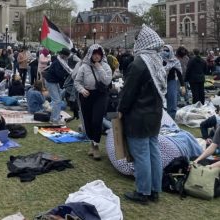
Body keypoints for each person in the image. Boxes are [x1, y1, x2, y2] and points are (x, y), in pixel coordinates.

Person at [118, 25, 166, 204]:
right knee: (154, 152)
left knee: (141, 155)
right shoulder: (156, 60)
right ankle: (154, 190)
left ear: (142, 41)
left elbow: (129, 92)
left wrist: (121, 110)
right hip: (155, 114)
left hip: (139, 115)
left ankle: (143, 192)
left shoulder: (139, 63)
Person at [74, 44, 112, 160]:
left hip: (100, 95)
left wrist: (99, 67)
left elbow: (107, 80)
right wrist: (82, 90)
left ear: (101, 55)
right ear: (90, 55)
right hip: (87, 95)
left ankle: (96, 145)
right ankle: (92, 143)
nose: (96, 56)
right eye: (94, 54)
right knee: (88, 120)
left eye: (98, 54)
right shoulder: (84, 67)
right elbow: (77, 82)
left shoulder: (105, 66)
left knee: (97, 120)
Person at [44, 48, 71, 125]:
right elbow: (59, 74)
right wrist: (67, 73)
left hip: (53, 81)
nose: (68, 58)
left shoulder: (61, 61)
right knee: (57, 101)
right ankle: (55, 120)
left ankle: (53, 118)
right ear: (63, 55)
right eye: (67, 56)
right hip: (50, 82)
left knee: (56, 100)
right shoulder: (57, 62)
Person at [160, 45, 185, 119]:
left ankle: (171, 118)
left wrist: (182, 85)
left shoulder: (174, 61)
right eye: (164, 50)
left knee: (172, 99)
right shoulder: (158, 60)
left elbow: (179, 73)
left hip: (171, 81)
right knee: (159, 100)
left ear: (170, 51)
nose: (165, 52)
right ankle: (161, 118)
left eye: (167, 51)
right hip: (160, 82)